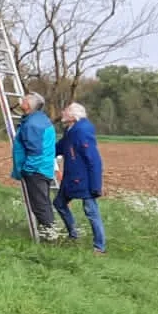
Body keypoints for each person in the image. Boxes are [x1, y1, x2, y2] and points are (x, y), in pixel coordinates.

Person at [53, 102, 106, 254]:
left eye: (66, 111)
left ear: (73, 116)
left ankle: (99, 247)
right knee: (59, 203)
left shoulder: (82, 132)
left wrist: (96, 186)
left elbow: (93, 159)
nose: (63, 112)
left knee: (91, 211)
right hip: (71, 178)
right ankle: (74, 235)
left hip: (84, 180)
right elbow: (59, 148)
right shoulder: (70, 131)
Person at [10, 93, 58, 235]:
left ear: (29, 105)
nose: (21, 101)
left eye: (24, 100)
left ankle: (51, 238)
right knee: (43, 203)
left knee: (40, 206)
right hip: (43, 169)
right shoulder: (39, 120)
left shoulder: (32, 124)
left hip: (36, 171)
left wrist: (27, 169)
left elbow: (35, 151)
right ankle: (50, 234)